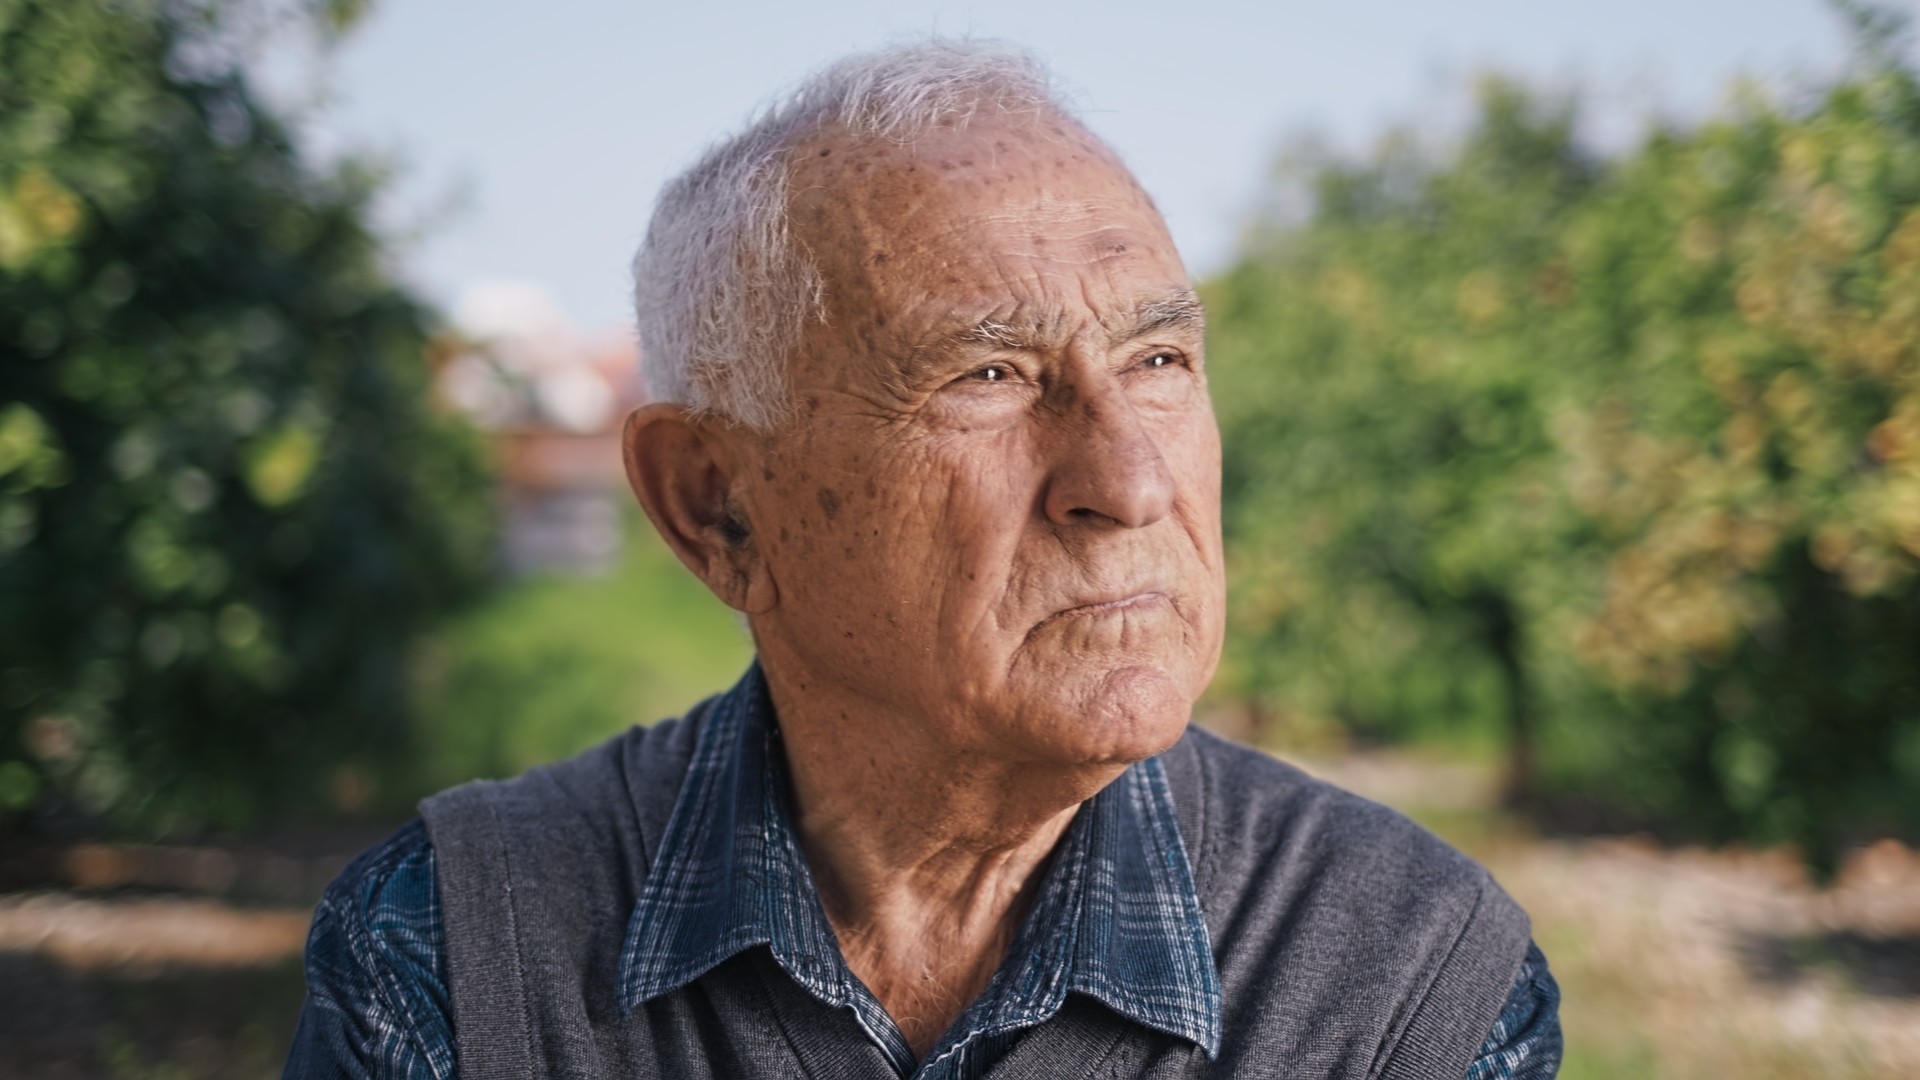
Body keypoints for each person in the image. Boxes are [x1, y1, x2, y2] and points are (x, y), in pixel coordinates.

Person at [284, 41, 1561, 1080]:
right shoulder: (453, 953)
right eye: (990, 376)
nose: (1129, 482)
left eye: (1159, 362)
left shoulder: (1413, 984)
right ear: (715, 505)